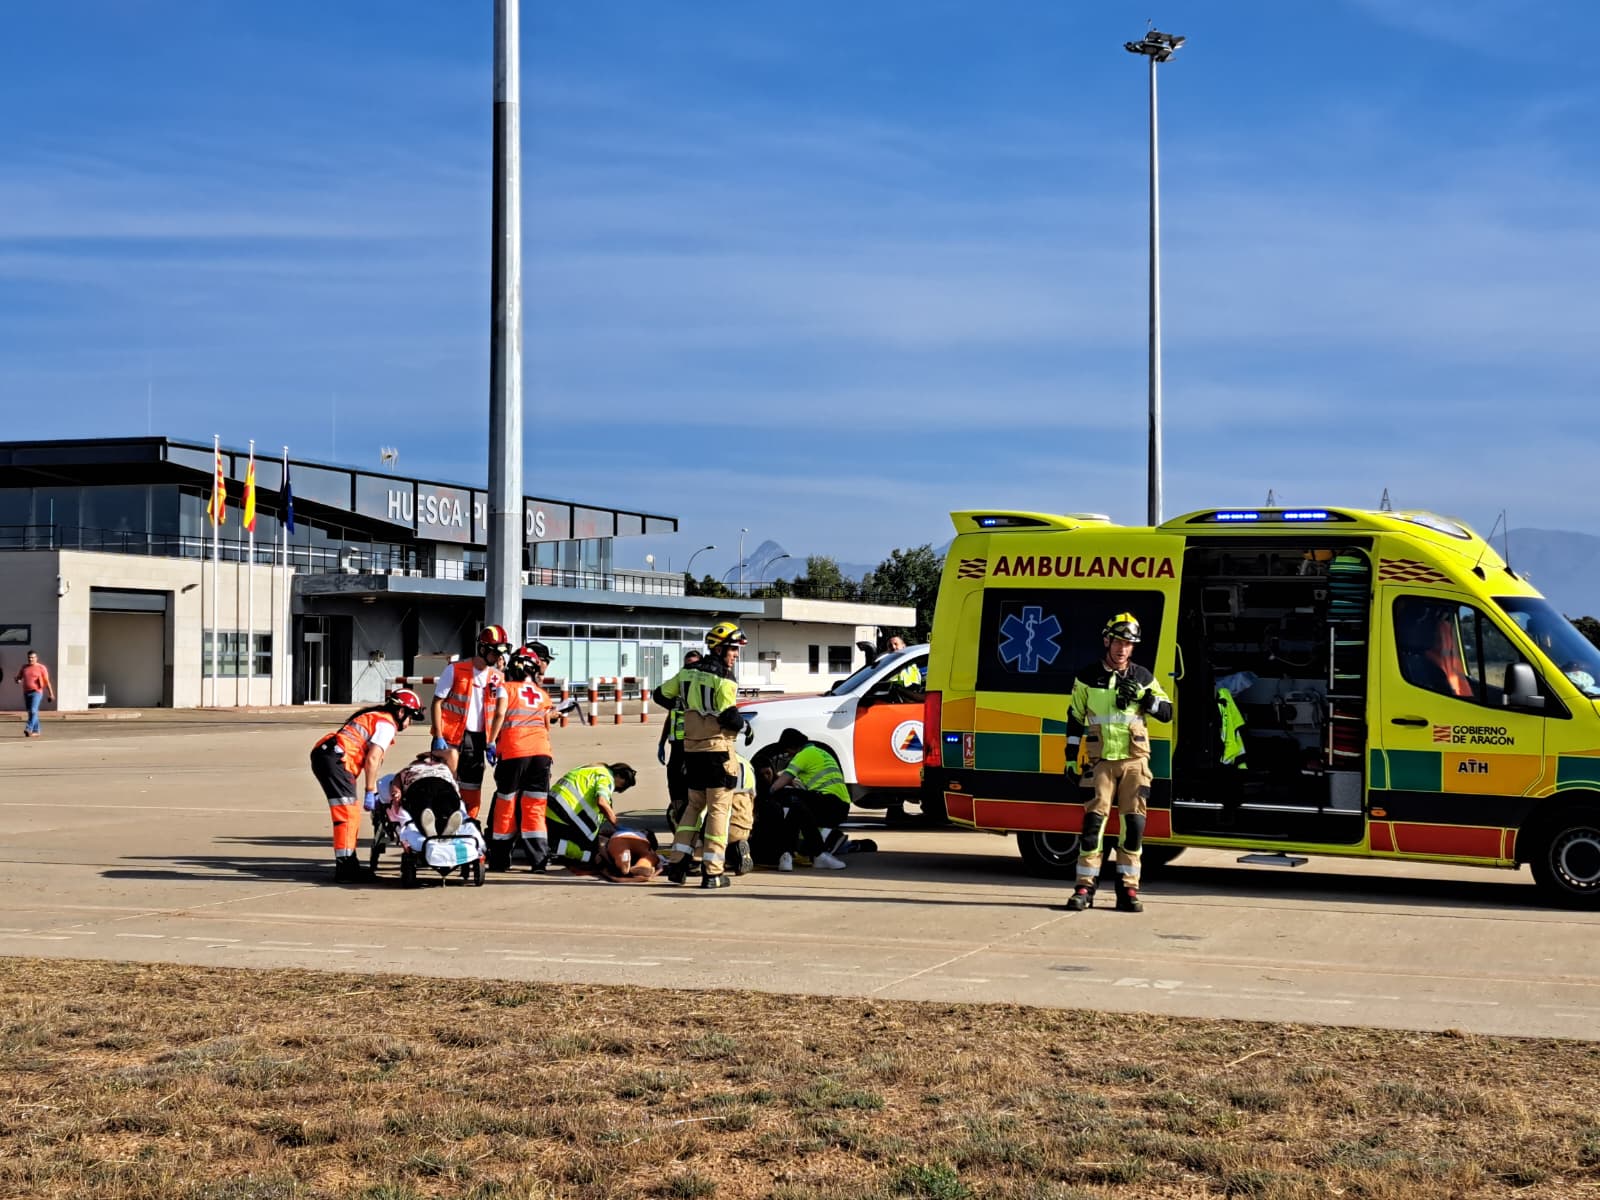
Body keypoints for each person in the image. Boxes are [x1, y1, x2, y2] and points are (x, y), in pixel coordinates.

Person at [1062, 613, 1172, 914]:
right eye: (1119, 642)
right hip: (1100, 763)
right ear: (1107, 640)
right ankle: (1084, 888)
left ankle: (1128, 889)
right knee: (1092, 827)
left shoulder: (1143, 677)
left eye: (1129, 644)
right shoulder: (1087, 676)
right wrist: (1071, 758)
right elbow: (1074, 717)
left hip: (1135, 762)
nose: (1123, 649)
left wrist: (1144, 698)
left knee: (1133, 826)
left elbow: (1167, 712)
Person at [654, 621, 750, 890]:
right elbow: (730, 718)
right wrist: (747, 726)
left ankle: (678, 864)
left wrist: (686, 708)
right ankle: (713, 872)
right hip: (718, 752)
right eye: (732, 649)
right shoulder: (725, 680)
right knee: (720, 809)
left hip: (691, 752)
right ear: (718, 649)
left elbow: (659, 695)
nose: (735, 654)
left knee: (694, 805)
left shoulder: (687, 673)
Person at [310, 688, 426, 883]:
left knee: (349, 812)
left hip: (329, 756)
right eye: (410, 717)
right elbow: (372, 759)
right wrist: (370, 791)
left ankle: (349, 863)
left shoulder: (374, 716)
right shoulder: (386, 724)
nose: (410, 723)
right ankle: (346, 869)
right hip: (336, 760)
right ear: (401, 712)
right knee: (347, 814)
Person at [484, 642, 558, 872]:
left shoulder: (506, 688)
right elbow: (547, 725)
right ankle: (539, 861)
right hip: (541, 753)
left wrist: (490, 742)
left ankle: (500, 859)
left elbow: (499, 714)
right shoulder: (542, 694)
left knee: (506, 803)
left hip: (514, 752)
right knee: (534, 806)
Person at [429, 625, 511, 820]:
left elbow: (499, 712)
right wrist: (439, 736)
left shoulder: (498, 677)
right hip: (451, 738)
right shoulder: (455, 670)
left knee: (472, 787)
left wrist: (492, 741)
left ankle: (469, 823)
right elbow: (437, 703)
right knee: (445, 784)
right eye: (495, 652)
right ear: (482, 649)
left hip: (478, 741)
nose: (498, 658)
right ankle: (441, 822)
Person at [768, 727, 851, 870]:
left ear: (793, 747)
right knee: (797, 808)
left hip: (829, 802)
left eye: (788, 752)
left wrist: (765, 794)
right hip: (841, 806)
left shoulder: (804, 755)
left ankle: (801, 853)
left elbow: (779, 785)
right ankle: (789, 856)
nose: (788, 755)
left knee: (785, 796)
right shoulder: (821, 752)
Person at [546, 762, 637, 868]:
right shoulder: (606, 777)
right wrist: (616, 825)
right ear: (618, 775)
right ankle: (552, 846)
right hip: (564, 813)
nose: (620, 790)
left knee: (591, 839)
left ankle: (551, 844)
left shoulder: (589, 769)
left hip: (551, 810)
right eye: (623, 785)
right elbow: (602, 802)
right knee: (592, 851)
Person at [657, 649, 704, 827]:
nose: (689, 669)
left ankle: (693, 826)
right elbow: (671, 717)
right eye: (686, 665)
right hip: (676, 745)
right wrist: (661, 742)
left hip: (694, 745)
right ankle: (679, 821)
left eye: (693, 665)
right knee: (674, 784)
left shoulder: (700, 693)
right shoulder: (678, 692)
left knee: (692, 788)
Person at [14, 650, 53, 739]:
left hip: (37, 692)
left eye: (32, 657)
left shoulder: (41, 668)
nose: (30, 659)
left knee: (33, 710)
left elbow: (47, 682)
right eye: (29, 657)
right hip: (26, 692)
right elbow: (19, 678)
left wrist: (51, 694)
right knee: (31, 713)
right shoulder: (24, 667)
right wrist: (17, 680)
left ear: (36, 658)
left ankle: (28, 728)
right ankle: (37, 731)